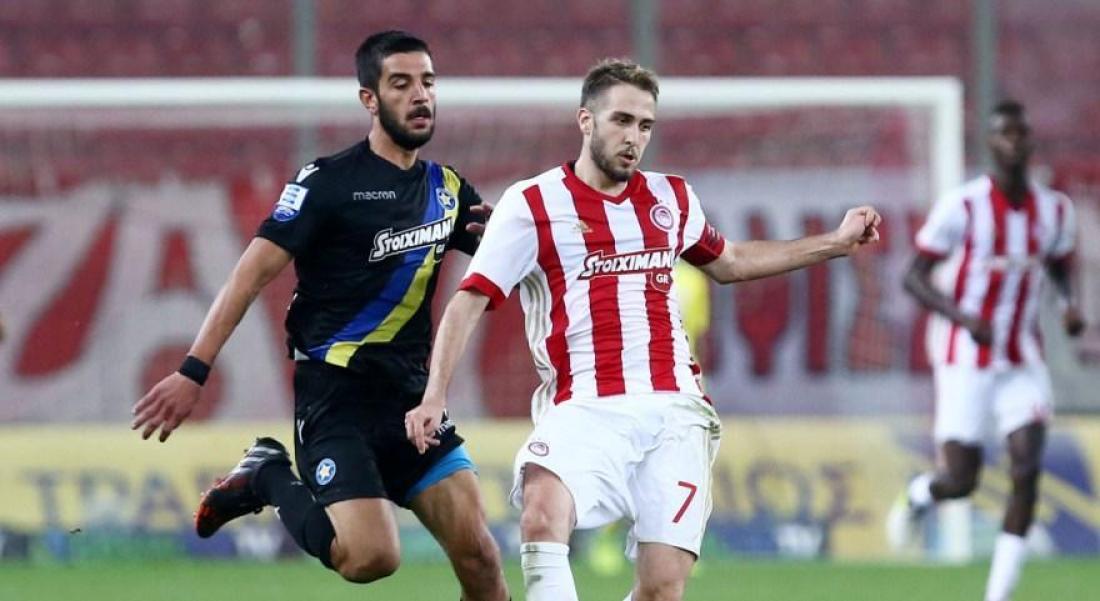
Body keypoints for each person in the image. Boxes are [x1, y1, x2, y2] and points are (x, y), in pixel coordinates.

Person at [404, 58, 881, 601]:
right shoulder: (531, 204)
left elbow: (731, 261)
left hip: (675, 410)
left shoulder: (671, 197)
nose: (634, 138)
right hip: (584, 405)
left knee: (661, 589)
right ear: (586, 120)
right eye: (622, 121)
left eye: (645, 125)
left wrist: (835, 242)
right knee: (541, 512)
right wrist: (434, 395)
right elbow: (468, 301)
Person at [131, 31, 509, 600]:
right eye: (401, 84)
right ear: (369, 99)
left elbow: (504, 256)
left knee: (480, 558)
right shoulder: (327, 184)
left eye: (428, 82)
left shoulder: (447, 189)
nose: (420, 95)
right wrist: (193, 370)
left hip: (411, 401)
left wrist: (522, 236)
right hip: (336, 400)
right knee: (372, 558)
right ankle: (266, 474)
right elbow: (248, 277)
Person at [887, 100, 1084, 601]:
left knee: (1026, 470)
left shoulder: (1055, 210)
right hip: (964, 361)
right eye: (1004, 133)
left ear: (1030, 141)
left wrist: (1068, 305)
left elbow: (1060, 265)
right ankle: (920, 495)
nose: (1014, 141)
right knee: (961, 481)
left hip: (1021, 360)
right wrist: (964, 319)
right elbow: (913, 276)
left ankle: (998, 595)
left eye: (1021, 133)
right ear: (991, 144)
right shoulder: (963, 206)